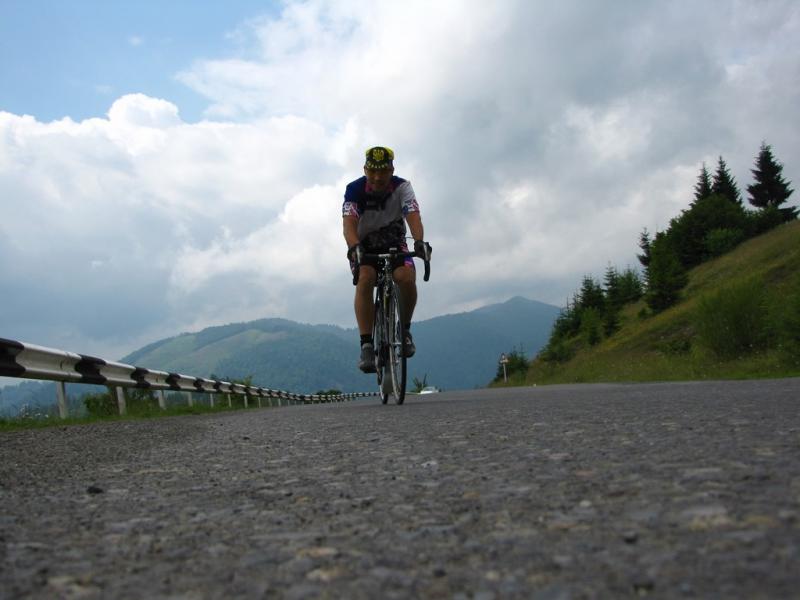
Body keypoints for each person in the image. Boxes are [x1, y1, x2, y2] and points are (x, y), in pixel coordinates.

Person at [342, 146, 432, 373]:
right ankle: (366, 345)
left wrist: (419, 241)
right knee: (366, 277)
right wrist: (354, 247)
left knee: (406, 277)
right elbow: (349, 224)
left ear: (392, 170)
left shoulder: (402, 187)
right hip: (364, 246)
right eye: (372, 171)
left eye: (383, 171)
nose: (377, 177)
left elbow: (413, 215)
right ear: (365, 169)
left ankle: (405, 330)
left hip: (395, 242)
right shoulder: (354, 189)